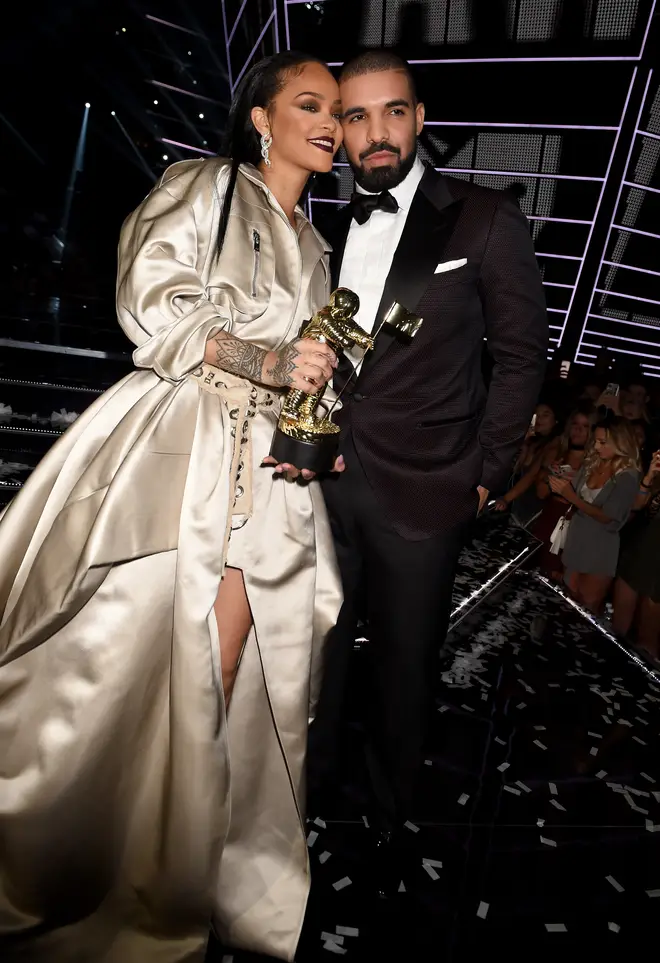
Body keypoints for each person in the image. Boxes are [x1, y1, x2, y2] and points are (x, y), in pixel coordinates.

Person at [0, 52, 344, 963]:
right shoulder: (205, 186)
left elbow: (312, 363)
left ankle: (159, 876)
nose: (330, 122)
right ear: (261, 119)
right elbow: (150, 301)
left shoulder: (316, 245)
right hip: (179, 446)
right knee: (115, 654)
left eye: (338, 111)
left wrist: (316, 411)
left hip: (270, 478)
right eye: (309, 104)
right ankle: (67, 850)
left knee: (219, 679)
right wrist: (266, 361)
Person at [309, 49, 548, 888]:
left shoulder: (484, 219)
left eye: (393, 112)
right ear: (337, 130)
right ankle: (310, 789)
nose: (376, 133)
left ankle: (388, 810)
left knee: (405, 664)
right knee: (322, 652)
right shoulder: (324, 228)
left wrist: (484, 475)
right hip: (325, 478)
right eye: (356, 116)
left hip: (430, 489)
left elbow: (522, 359)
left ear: (419, 117)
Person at [549, 417, 640, 614]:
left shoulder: (628, 476)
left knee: (586, 614)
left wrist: (570, 496)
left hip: (600, 547)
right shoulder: (592, 463)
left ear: (620, 443)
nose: (597, 446)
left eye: (603, 442)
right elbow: (574, 492)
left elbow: (607, 516)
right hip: (577, 539)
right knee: (565, 607)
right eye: (596, 441)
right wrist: (561, 479)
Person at [613, 448, 660, 660]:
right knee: (617, 630)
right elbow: (636, 507)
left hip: (656, 567)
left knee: (646, 642)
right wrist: (650, 477)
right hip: (638, 552)